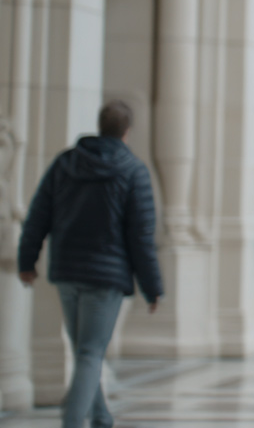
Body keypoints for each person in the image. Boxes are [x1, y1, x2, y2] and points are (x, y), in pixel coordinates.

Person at [17, 100, 163, 428]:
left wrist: (28, 260)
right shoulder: (133, 170)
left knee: (86, 351)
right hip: (106, 277)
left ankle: (101, 416)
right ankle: (72, 423)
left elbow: (38, 215)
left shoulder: (65, 163)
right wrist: (153, 287)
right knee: (90, 353)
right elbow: (141, 236)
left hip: (66, 271)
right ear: (127, 131)